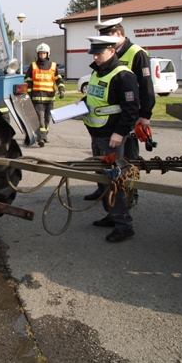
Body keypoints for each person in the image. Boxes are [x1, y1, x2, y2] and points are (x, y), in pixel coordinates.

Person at [84, 18, 155, 200]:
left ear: (117, 34)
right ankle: (104, 191)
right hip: (110, 119)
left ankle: (129, 193)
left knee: (127, 159)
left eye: (106, 35)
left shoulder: (136, 53)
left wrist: (145, 115)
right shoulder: (103, 57)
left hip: (128, 116)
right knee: (106, 161)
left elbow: (146, 86)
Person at [80, 36, 139, 242]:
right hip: (97, 133)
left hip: (112, 135)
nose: (95, 56)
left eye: (99, 53)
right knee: (103, 177)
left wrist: (120, 133)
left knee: (115, 180)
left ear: (112, 51)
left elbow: (131, 109)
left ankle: (124, 225)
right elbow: (93, 97)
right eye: (93, 53)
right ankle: (112, 215)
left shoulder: (123, 76)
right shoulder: (98, 71)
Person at [24, 43, 65, 147]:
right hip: (37, 98)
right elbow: (28, 80)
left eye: (44, 53)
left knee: (47, 119)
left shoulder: (53, 66)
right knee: (40, 118)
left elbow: (58, 79)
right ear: (37, 54)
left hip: (50, 99)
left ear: (48, 54)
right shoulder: (33, 66)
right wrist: (28, 94)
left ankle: (44, 134)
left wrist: (62, 89)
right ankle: (41, 138)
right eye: (40, 53)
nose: (42, 55)